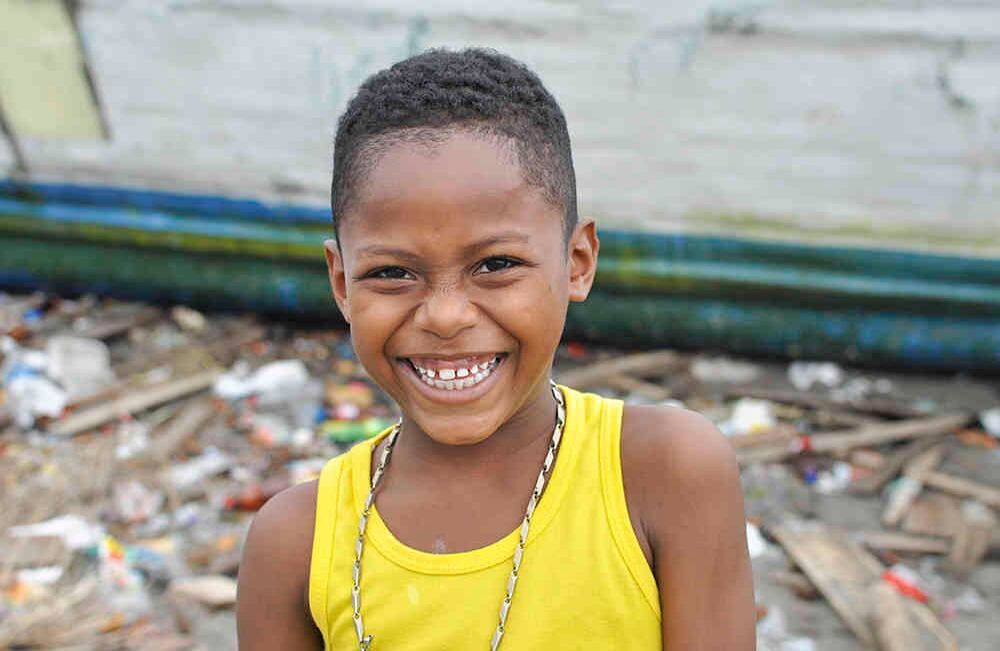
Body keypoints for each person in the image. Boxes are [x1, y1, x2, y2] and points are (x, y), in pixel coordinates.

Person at [236, 48, 755, 650]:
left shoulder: (663, 474)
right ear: (342, 284)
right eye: (392, 274)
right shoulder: (297, 544)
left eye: (497, 265)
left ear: (577, 263)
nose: (447, 316)